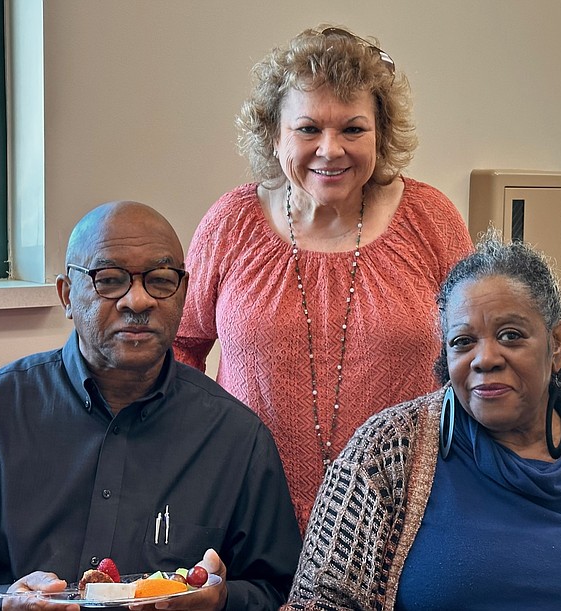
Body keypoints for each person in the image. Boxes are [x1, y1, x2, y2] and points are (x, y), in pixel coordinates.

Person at [0, 201, 301, 611]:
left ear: (184, 293)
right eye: (109, 279)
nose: (137, 301)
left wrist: (223, 599)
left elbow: (281, 589)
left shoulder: (236, 439)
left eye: (159, 279)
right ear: (67, 295)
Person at [173, 25, 473, 531]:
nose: (330, 150)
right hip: (248, 511)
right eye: (308, 129)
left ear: (381, 132)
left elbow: (473, 354)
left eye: (353, 129)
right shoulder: (230, 223)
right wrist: (195, 457)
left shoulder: (430, 219)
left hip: (408, 514)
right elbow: (181, 346)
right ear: (274, 135)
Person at [281, 234, 561, 610]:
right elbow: (319, 601)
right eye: (463, 341)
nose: (484, 358)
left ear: (556, 343)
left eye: (510, 335)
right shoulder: (383, 455)